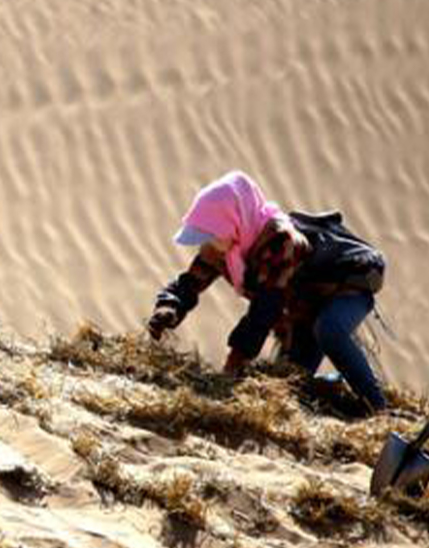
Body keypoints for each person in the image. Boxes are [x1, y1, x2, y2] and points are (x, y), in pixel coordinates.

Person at [146, 170, 390, 414]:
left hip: (345, 287)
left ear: (232, 221)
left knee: (329, 330)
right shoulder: (224, 249)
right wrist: (169, 307)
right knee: (291, 385)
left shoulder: (281, 241)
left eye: (210, 234)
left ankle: (378, 409)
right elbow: (190, 282)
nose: (206, 244)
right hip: (302, 312)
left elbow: (266, 308)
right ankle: (332, 386)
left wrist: (234, 365)